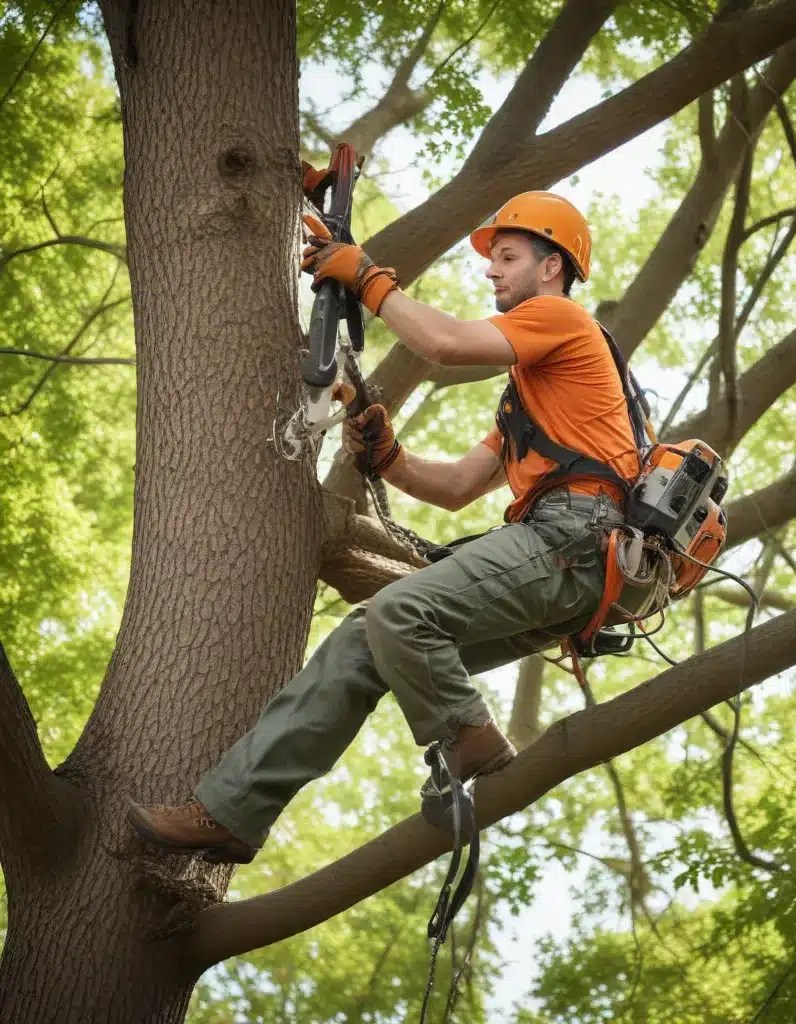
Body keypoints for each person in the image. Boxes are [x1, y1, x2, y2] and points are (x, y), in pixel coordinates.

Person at [127, 191, 644, 864]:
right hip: (564, 573)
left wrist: (367, 277)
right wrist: (388, 459)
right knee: (366, 639)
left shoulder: (562, 319)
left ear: (552, 268)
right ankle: (230, 812)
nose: (492, 271)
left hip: (573, 544)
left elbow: (444, 343)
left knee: (400, 612)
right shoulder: (534, 389)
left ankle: (471, 737)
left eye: (508, 257)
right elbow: (459, 486)